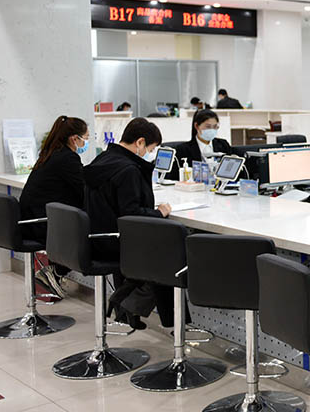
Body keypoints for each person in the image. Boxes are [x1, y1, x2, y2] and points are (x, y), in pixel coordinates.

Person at [83, 117, 173, 329]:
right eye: (150, 149)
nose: (149, 154)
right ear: (140, 142)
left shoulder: (103, 159)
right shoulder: (128, 169)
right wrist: (158, 213)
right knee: (171, 254)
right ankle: (132, 305)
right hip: (117, 242)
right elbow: (131, 215)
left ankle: (127, 304)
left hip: (98, 237)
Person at [19, 115, 90, 298]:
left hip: (28, 219)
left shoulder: (50, 153)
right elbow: (83, 189)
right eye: (85, 139)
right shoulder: (67, 158)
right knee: (90, 229)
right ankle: (55, 271)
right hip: (40, 223)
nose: (86, 143)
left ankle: (55, 272)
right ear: (74, 139)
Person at [166, 109, 232, 180]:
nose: (212, 130)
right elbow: (173, 177)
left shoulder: (223, 145)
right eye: (208, 127)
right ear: (196, 126)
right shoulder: (183, 150)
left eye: (215, 127)